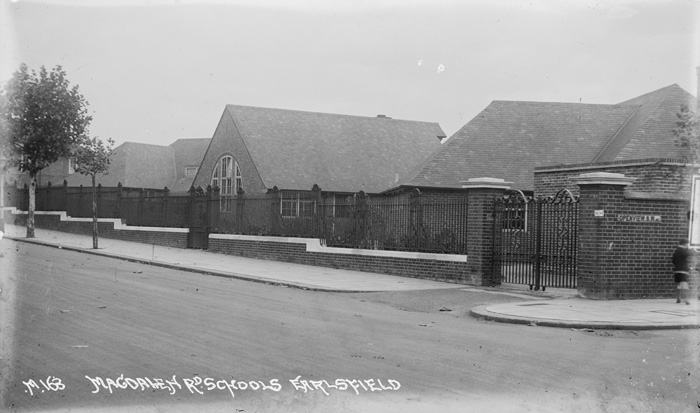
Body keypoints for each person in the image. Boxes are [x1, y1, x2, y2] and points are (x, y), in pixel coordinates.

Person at [672, 238, 696, 304]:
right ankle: (687, 300)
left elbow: (673, 260)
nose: (687, 245)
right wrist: (694, 250)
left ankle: (678, 298)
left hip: (676, 270)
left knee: (679, 284)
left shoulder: (676, 250)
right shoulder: (684, 250)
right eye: (687, 243)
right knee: (685, 285)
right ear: (685, 243)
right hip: (683, 270)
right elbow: (691, 253)